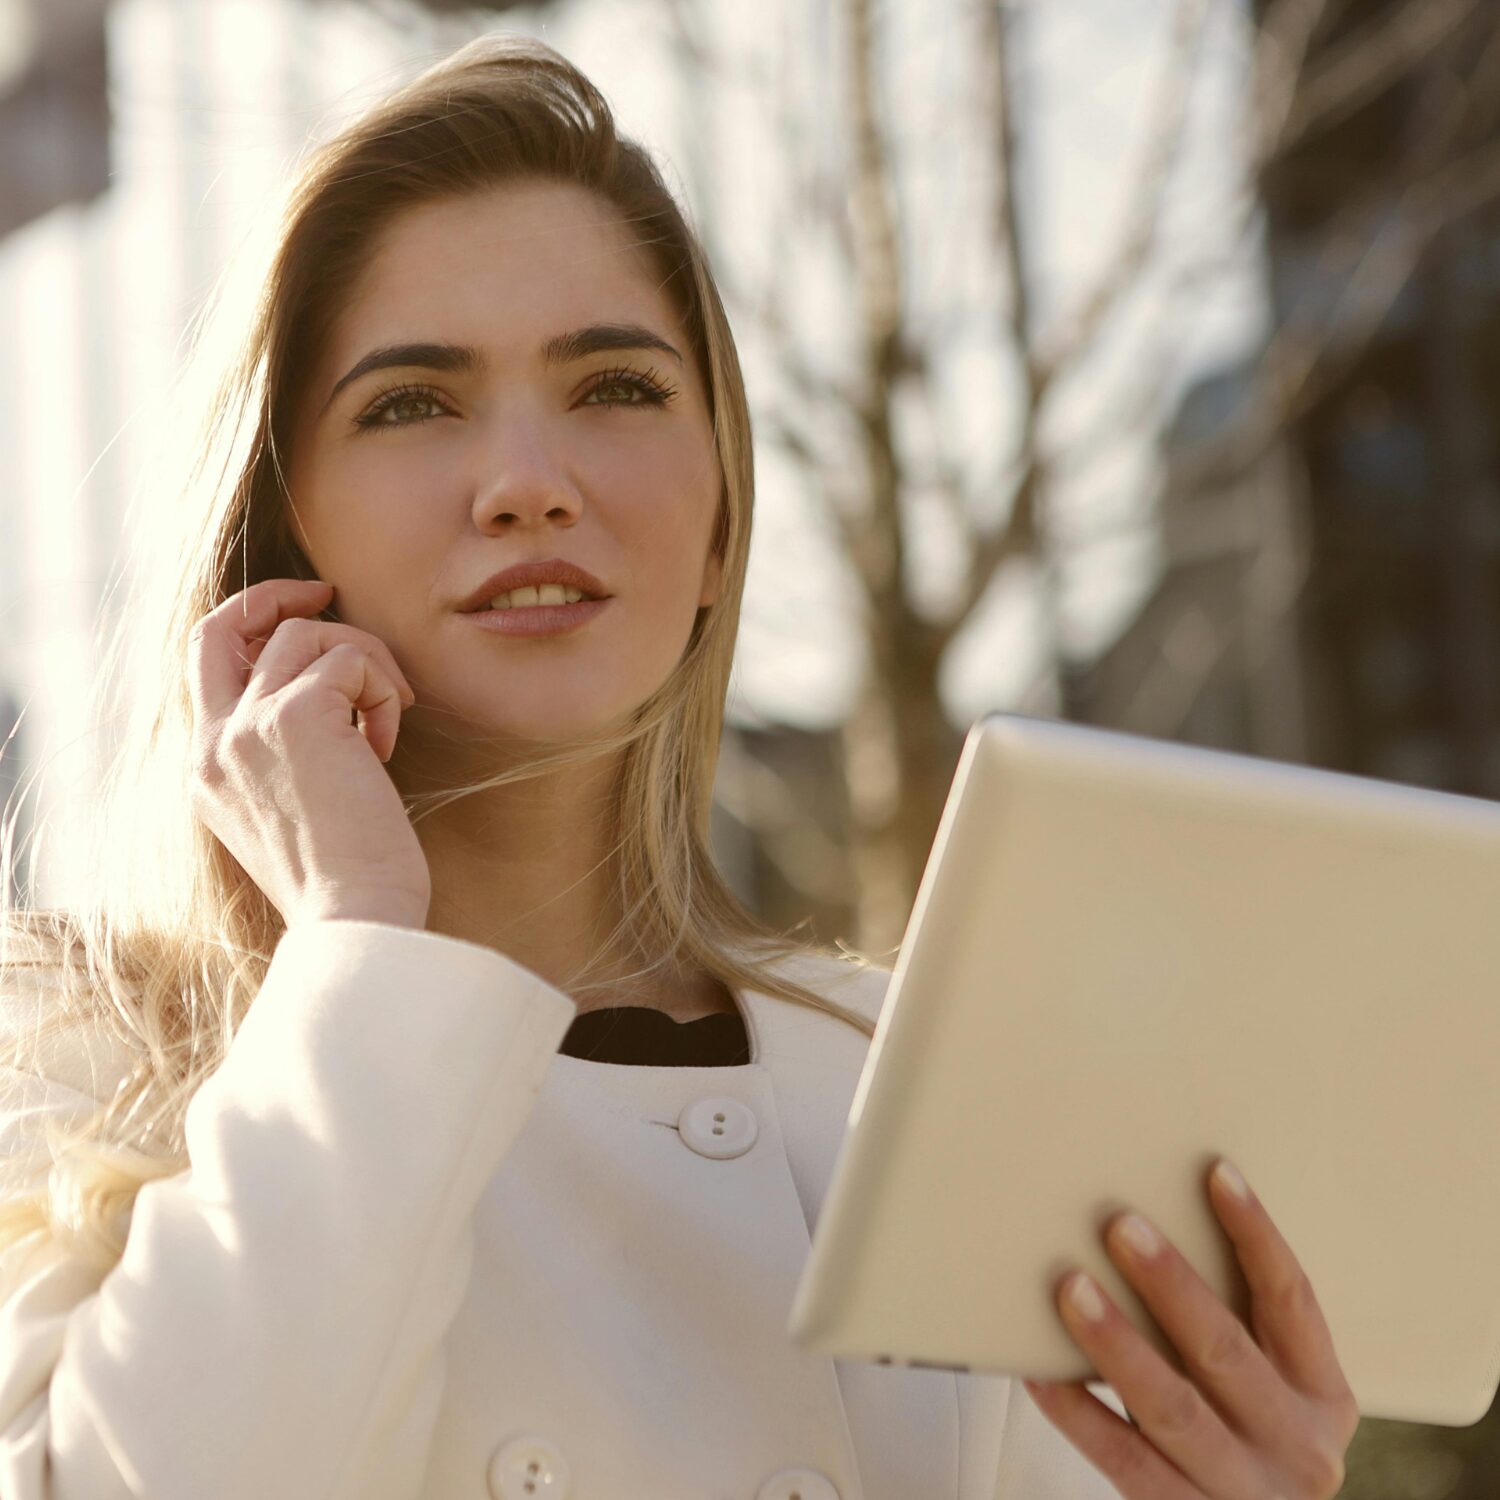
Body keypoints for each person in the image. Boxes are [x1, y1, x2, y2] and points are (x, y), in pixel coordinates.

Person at [0, 32, 1359, 1500]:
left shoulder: (917, 1084)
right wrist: (358, 948)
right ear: (279, 532)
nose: (530, 482)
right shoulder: (71, 1065)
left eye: (618, 388)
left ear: (720, 524)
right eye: (411, 403)